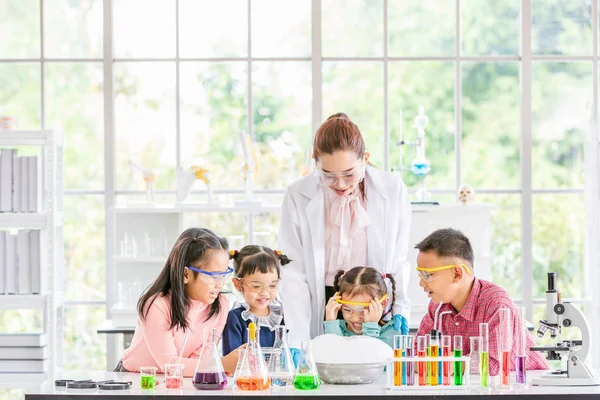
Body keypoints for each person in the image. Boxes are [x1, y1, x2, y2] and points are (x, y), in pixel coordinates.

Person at [278, 112, 412, 347]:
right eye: (328, 175)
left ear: (366, 159)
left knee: (372, 367)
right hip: (323, 300)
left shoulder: (391, 190)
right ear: (315, 162)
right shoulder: (297, 195)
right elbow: (293, 271)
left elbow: (399, 258)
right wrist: (297, 338)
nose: (339, 184)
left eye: (349, 174)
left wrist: (400, 305)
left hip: (371, 304)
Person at [415, 228, 549, 375]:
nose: (421, 283)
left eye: (428, 275)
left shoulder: (497, 303)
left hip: (526, 386)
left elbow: (492, 365)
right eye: (420, 275)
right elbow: (417, 354)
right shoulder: (437, 307)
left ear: (457, 273)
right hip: (474, 387)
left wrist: (446, 362)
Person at [118, 228, 244, 377]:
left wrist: (212, 366)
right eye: (214, 276)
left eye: (223, 275)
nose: (220, 284)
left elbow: (201, 360)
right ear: (186, 274)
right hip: (136, 378)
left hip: (182, 379)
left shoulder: (220, 305)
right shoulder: (157, 305)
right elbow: (170, 364)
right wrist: (223, 364)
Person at [222, 245, 290, 355]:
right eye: (256, 286)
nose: (264, 292)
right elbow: (232, 360)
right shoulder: (235, 319)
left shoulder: (282, 315)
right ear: (238, 284)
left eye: (272, 285)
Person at [324, 267, 397, 347]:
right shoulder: (335, 329)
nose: (355, 318)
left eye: (363, 311)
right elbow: (333, 357)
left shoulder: (392, 333)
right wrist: (331, 324)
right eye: (347, 309)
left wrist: (370, 328)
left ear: (383, 303)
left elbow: (367, 357)